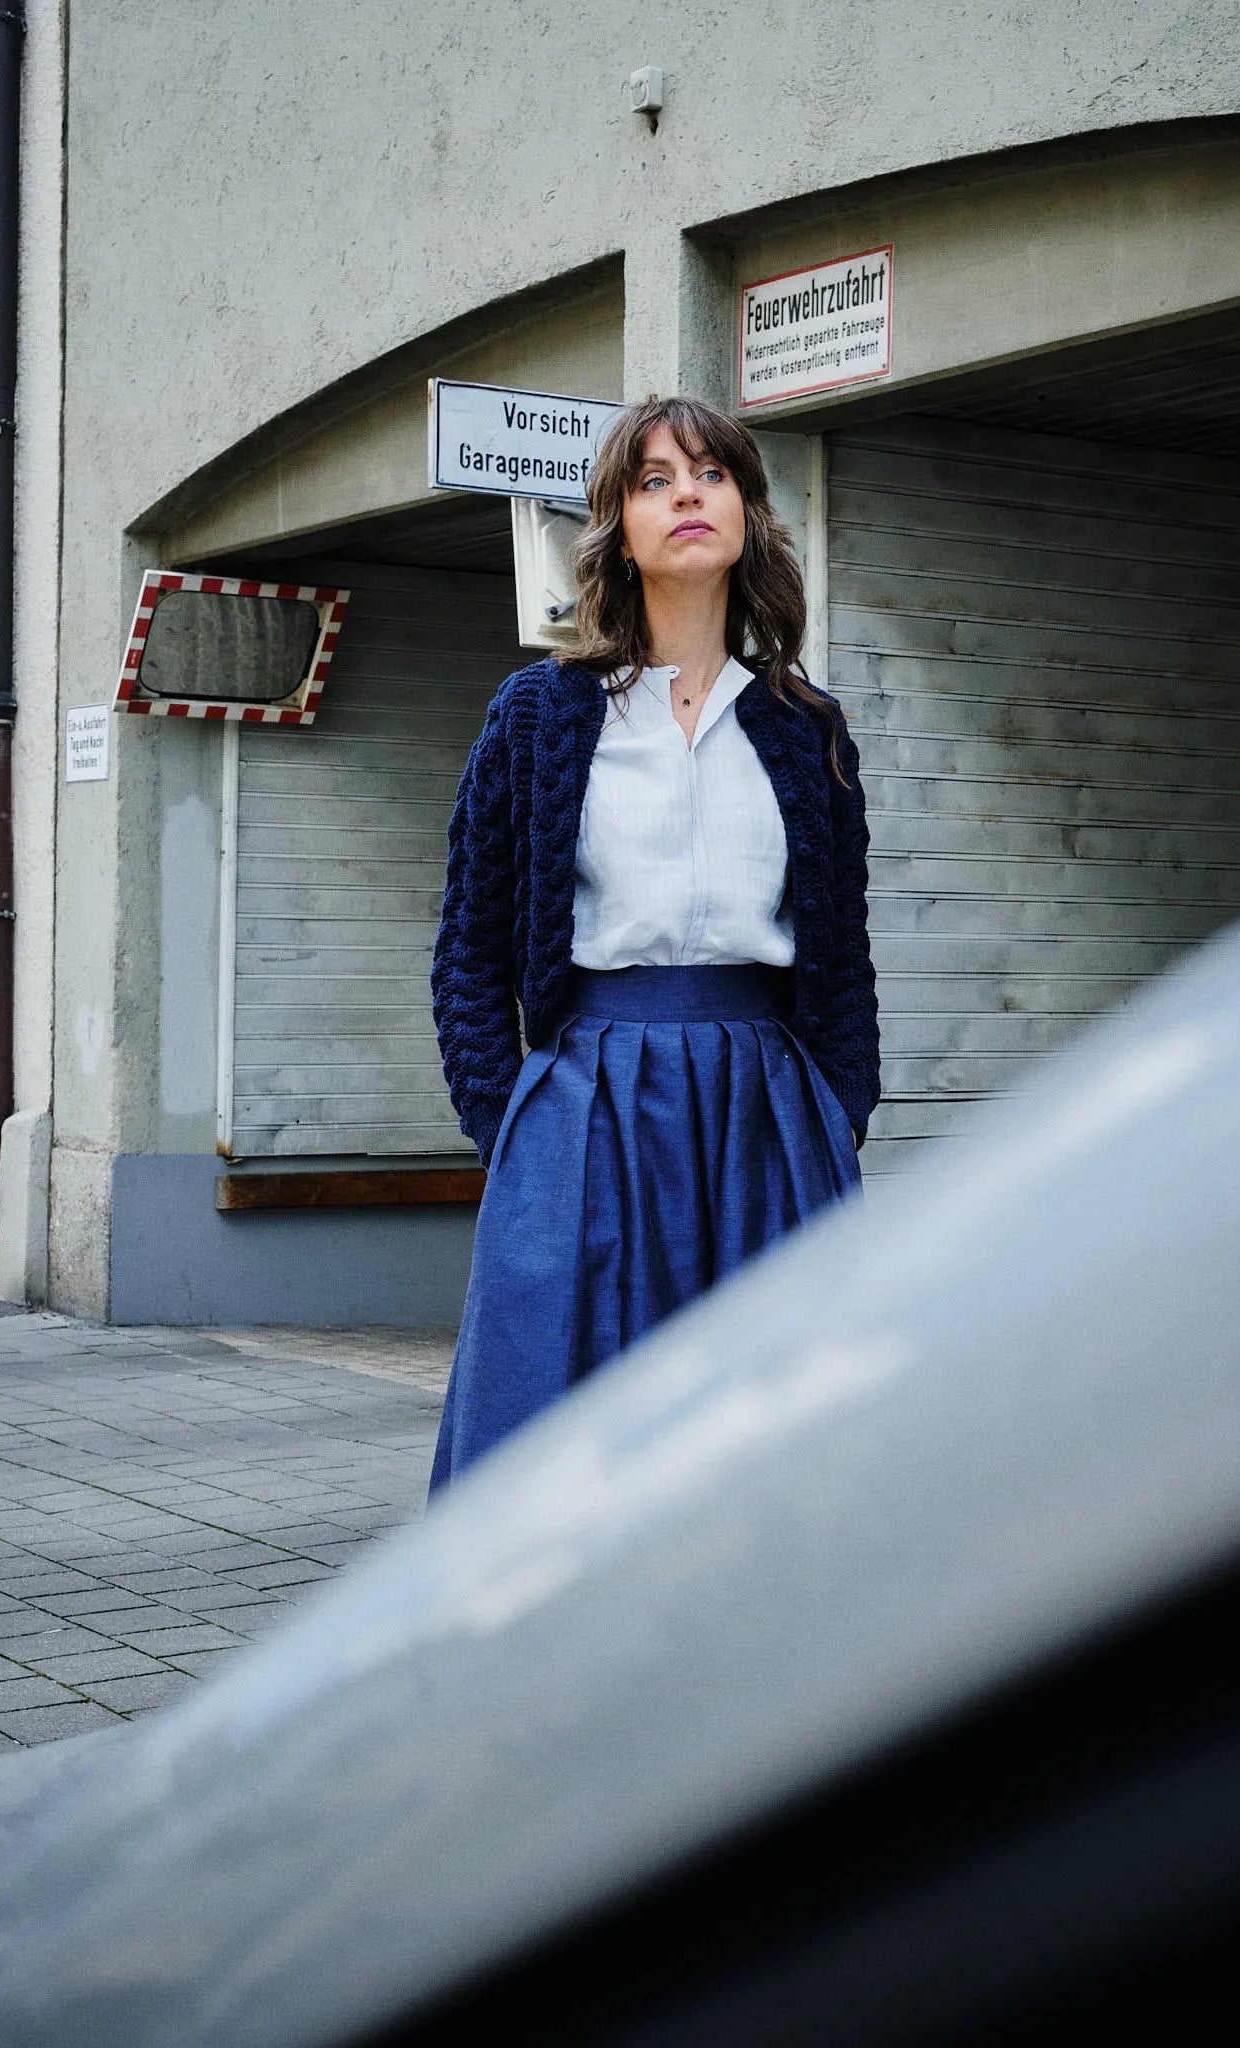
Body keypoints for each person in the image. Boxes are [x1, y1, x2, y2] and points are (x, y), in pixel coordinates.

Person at [426, 395, 879, 1489]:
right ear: (617, 531)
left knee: (777, 1450)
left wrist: (832, 1116)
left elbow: (845, 957)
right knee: (554, 1447)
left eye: (712, 473)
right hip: (586, 1114)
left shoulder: (804, 726)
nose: (687, 492)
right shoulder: (539, 715)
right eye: (653, 479)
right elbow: (469, 956)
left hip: (768, 1119)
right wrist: (520, 1133)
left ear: (749, 516)